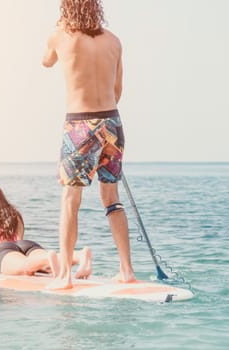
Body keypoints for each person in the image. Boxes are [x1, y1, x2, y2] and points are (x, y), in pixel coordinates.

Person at [42, 0, 136, 290]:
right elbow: (117, 91)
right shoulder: (114, 41)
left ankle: (64, 277)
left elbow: (46, 61)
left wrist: (59, 31)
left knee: (71, 201)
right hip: (112, 123)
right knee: (112, 198)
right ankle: (126, 271)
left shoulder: (61, 36)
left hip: (80, 125)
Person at [0, 184, 92, 278]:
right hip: (26, 245)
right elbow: (17, 244)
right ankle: (78, 255)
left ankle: (48, 258)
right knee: (42, 264)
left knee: (24, 266)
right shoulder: (15, 216)